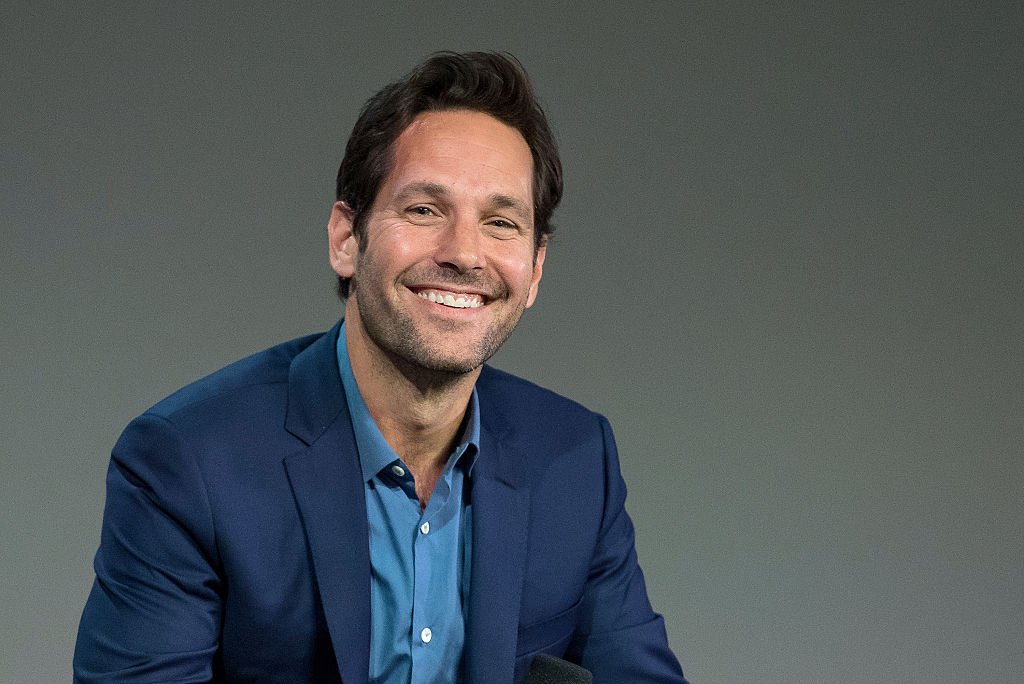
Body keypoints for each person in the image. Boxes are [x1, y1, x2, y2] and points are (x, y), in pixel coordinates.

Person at [74, 51, 687, 684]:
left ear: (534, 270)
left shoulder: (576, 458)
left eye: (501, 223)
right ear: (347, 238)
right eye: (424, 210)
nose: (463, 254)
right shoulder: (189, 462)